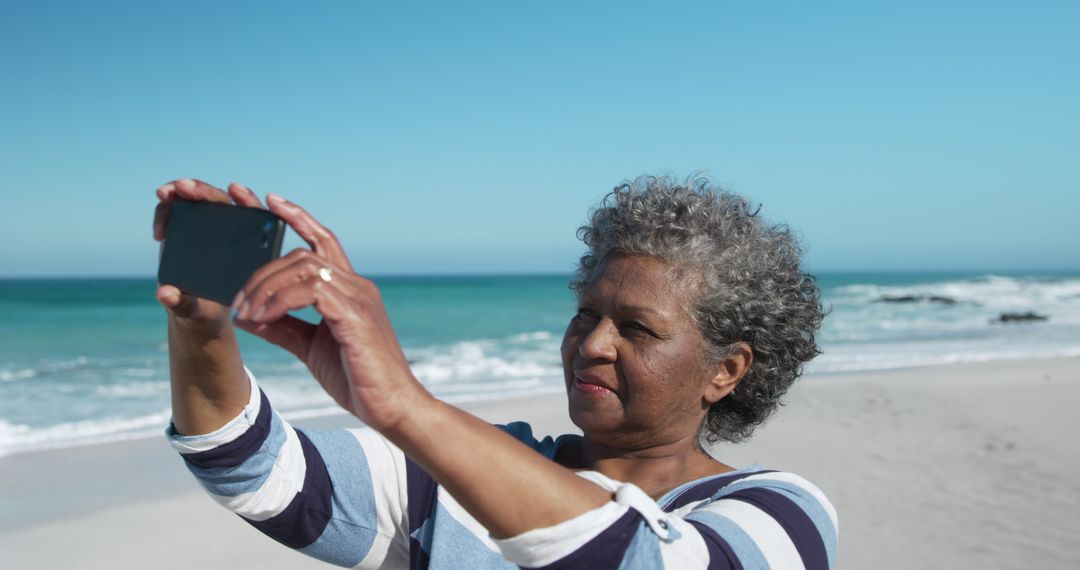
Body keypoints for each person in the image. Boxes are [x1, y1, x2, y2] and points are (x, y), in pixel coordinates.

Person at [153, 175, 836, 569]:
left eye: (637, 329)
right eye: (585, 314)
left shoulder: (782, 510)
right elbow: (254, 471)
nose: (592, 344)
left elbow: (644, 560)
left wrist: (407, 406)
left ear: (728, 371)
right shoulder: (458, 477)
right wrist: (201, 329)